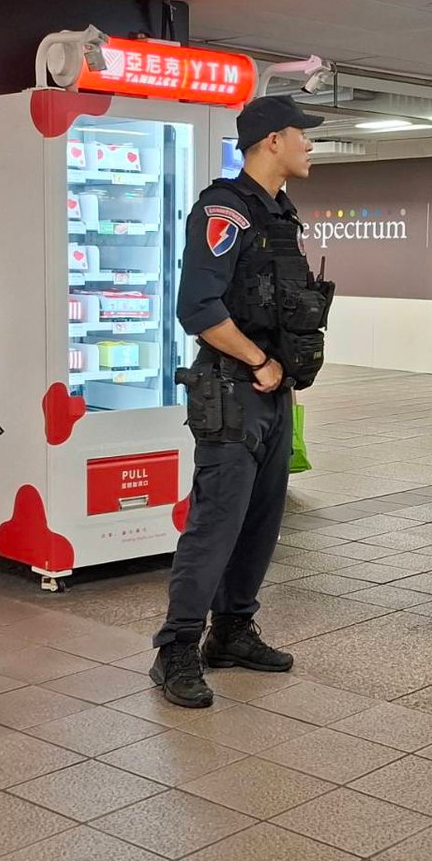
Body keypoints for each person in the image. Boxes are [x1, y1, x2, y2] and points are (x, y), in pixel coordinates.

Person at [151, 95, 330, 708]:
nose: (310, 144)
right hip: (234, 390)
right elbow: (198, 309)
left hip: (273, 393)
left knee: (261, 522)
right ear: (272, 140)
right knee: (215, 525)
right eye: (302, 133)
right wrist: (259, 361)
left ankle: (230, 632)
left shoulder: (278, 213)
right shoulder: (224, 208)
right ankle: (176, 648)